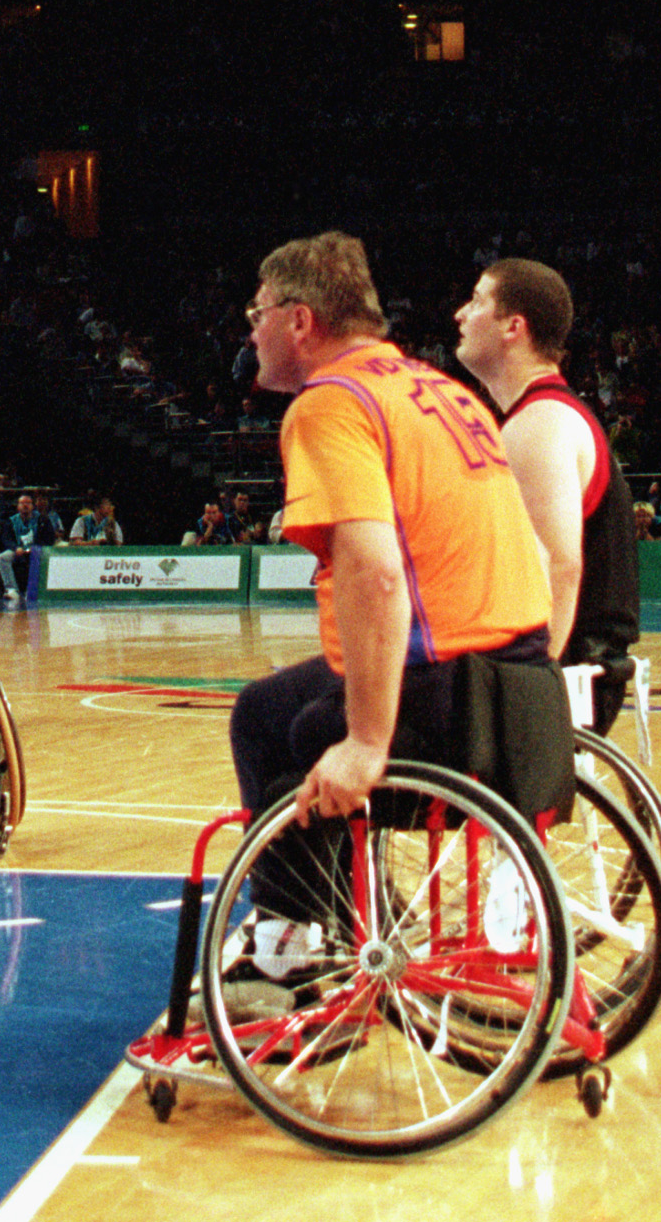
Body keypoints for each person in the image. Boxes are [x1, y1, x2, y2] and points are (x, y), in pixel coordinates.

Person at [234, 232, 552, 827]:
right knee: (262, 710)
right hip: (522, 679)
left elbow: (375, 574)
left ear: (299, 320)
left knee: (301, 733)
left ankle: (296, 918)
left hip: (448, 695)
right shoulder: (445, 391)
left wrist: (366, 742)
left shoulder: (331, 403)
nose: (252, 332)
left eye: (258, 313)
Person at [453, 257, 643, 730]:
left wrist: (531, 689)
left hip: (568, 674)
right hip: (575, 665)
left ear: (513, 326)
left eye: (477, 301)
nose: (460, 314)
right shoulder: (539, 416)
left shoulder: (541, 423)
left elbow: (559, 566)